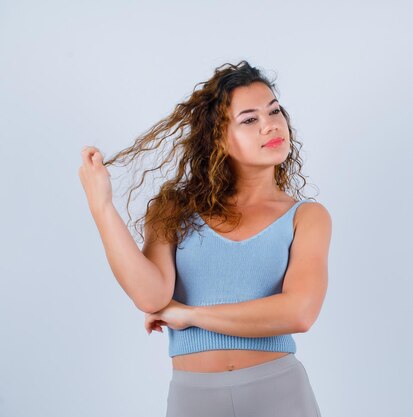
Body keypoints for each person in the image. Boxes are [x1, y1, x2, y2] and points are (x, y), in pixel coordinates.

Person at [78, 60, 331, 417]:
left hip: (279, 393)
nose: (271, 125)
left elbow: (299, 312)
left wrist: (191, 315)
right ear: (219, 139)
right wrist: (102, 207)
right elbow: (150, 295)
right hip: (193, 400)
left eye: (274, 111)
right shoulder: (174, 209)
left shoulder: (307, 217)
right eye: (249, 119)